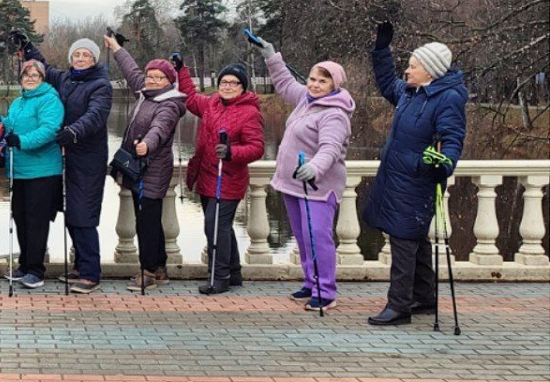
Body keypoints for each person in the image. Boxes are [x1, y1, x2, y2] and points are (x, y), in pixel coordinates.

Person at [364, 22, 467, 326]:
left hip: (417, 180)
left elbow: (453, 138)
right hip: (396, 178)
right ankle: (425, 295)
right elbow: (386, 83)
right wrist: (381, 51)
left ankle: (399, 307)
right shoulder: (411, 93)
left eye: (412, 66)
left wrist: (443, 163)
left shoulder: (448, 99)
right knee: (415, 238)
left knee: (403, 241)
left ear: (431, 72)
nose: (406, 71)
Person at [250, 34, 355, 311]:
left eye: (323, 81)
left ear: (334, 85)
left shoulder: (334, 113)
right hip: (293, 184)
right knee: (303, 236)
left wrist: (314, 168)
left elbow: (330, 149)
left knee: (318, 237)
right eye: (312, 78)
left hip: (318, 187)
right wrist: (270, 55)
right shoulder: (306, 100)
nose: (314, 84)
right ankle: (311, 282)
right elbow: (285, 83)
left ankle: (326, 291)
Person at [17, 33, 112, 294]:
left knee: (83, 214)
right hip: (66, 157)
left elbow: (95, 115)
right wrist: (27, 47)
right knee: (70, 212)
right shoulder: (67, 78)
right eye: (77, 55)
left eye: (86, 55)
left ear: (94, 59)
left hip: (88, 158)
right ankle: (80, 266)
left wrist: (74, 131)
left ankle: (91, 272)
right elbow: (43, 67)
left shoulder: (101, 85)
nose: (80, 59)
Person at [176, 56, 265, 295]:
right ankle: (234, 272)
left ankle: (220, 277)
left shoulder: (249, 113)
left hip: (228, 178)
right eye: (224, 81)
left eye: (234, 83)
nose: (227, 86)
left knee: (214, 227)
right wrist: (181, 69)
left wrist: (231, 152)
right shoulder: (212, 104)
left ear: (242, 87)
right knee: (221, 226)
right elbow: (191, 98)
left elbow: (257, 147)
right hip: (206, 176)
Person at [106, 36, 186, 292]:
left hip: (153, 169)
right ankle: (160, 267)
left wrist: (147, 145)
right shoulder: (145, 92)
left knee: (147, 223)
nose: (151, 80)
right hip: (137, 167)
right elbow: (131, 72)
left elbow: (159, 129)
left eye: (158, 77)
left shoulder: (170, 103)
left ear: (168, 82)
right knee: (147, 221)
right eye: (150, 75)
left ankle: (150, 271)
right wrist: (117, 49)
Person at [0, 59, 64, 289]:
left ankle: (36, 270)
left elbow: (49, 130)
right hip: (19, 170)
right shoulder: (18, 102)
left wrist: (21, 141)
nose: (30, 78)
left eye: (35, 75)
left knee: (36, 221)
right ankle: (25, 264)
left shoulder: (50, 100)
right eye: (26, 75)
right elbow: (9, 126)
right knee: (20, 217)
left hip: (43, 170)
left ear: (42, 78)